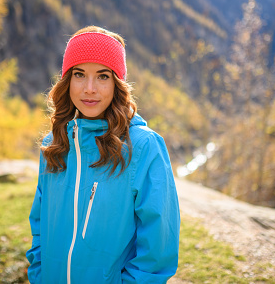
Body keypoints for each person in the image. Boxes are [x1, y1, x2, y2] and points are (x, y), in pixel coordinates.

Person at [26, 26, 180, 284]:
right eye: (79, 74)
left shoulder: (143, 147)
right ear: (67, 80)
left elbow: (157, 249)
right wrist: (39, 275)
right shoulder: (53, 145)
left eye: (102, 76)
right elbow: (40, 225)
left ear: (117, 83)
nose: (89, 88)